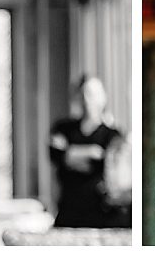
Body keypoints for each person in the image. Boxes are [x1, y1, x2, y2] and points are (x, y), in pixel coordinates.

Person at [48, 74, 130, 228]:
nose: (88, 99)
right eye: (84, 93)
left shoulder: (113, 135)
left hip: (101, 214)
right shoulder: (63, 128)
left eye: (93, 93)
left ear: (103, 97)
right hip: (69, 212)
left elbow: (110, 166)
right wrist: (91, 151)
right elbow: (57, 155)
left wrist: (71, 154)